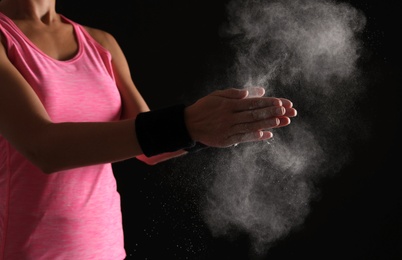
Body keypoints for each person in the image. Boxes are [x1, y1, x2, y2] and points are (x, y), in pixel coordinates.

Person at [0, 0, 297, 259]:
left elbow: (151, 149)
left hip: (105, 249)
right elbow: (43, 147)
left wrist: (211, 127)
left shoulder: (100, 42)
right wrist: (187, 123)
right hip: (25, 251)